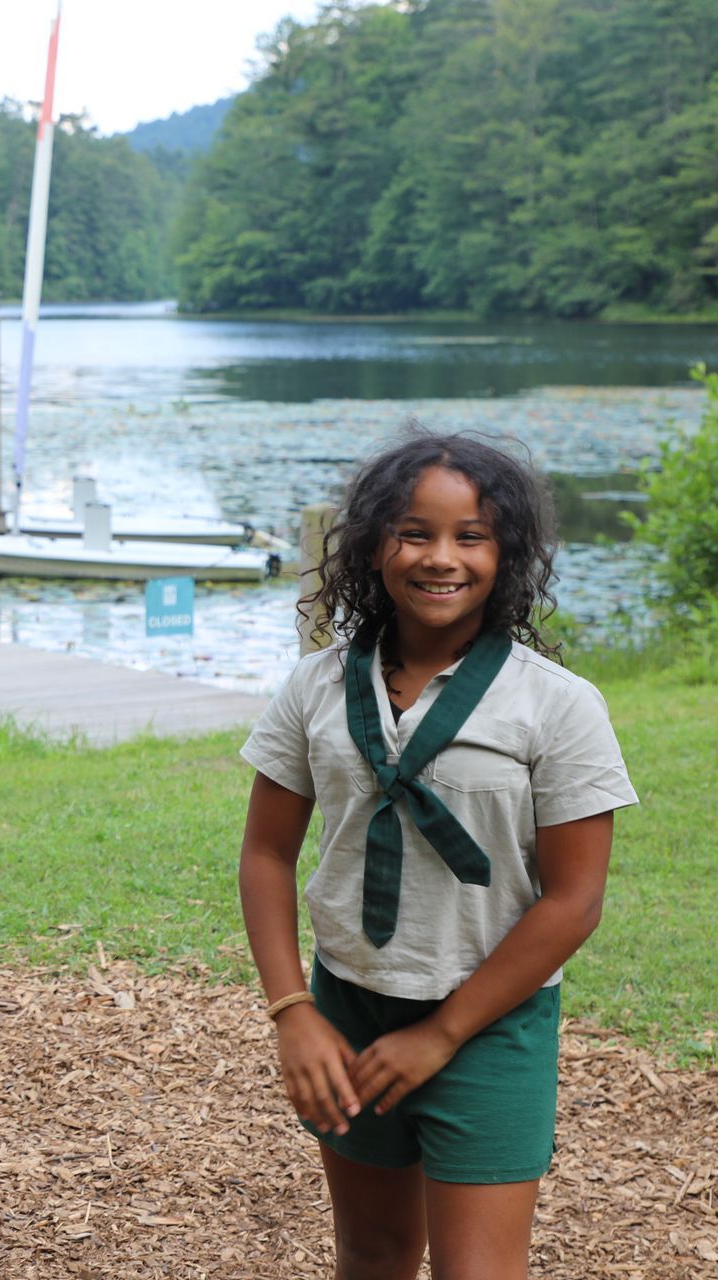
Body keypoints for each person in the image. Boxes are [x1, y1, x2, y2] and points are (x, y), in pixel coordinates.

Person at [237, 429, 636, 1278]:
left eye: (471, 536)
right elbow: (268, 855)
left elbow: (574, 900)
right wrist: (291, 1012)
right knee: (373, 1253)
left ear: (509, 554)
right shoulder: (314, 686)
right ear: (373, 544)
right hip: (347, 1008)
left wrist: (445, 1032)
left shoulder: (557, 706)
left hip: (490, 1022)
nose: (440, 558)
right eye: (414, 532)